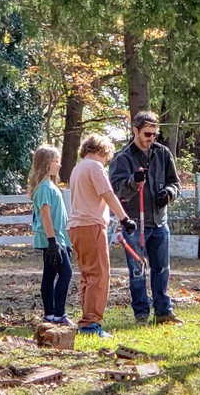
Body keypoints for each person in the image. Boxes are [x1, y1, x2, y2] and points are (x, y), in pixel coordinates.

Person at [109, 111, 182, 326]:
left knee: (162, 269)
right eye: (147, 134)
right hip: (134, 223)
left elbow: (175, 182)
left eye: (154, 134)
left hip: (159, 221)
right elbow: (116, 191)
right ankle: (141, 314)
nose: (151, 138)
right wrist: (133, 181)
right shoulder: (123, 158)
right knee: (137, 270)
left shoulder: (162, 153)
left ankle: (163, 312)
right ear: (135, 131)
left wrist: (169, 193)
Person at [67, 134, 137, 338]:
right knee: (99, 275)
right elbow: (107, 194)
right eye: (107, 156)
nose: (106, 161)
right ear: (101, 151)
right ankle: (91, 323)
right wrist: (125, 218)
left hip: (76, 226)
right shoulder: (95, 167)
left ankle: (87, 318)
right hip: (92, 225)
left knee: (87, 275)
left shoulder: (77, 168)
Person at [27, 145, 75, 327]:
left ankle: (49, 314)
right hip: (51, 239)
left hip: (58, 238)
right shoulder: (44, 188)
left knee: (50, 274)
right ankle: (58, 314)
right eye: (56, 161)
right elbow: (45, 216)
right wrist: (53, 243)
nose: (59, 165)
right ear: (46, 163)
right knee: (65, 274)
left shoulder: (51, 186)